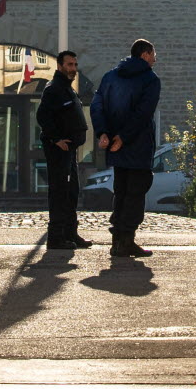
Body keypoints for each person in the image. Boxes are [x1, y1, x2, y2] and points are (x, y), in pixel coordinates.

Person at [90, 39, 161, 258]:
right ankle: (126, 240)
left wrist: (104, 133)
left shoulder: (110, 77)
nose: (155, 58)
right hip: (136, 145)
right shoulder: (150, 80)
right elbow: (143, 113)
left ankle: (117, 240)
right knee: (136, 192)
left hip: (115, 146)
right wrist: (124, 137)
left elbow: (97, 104)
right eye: (154, 53)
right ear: (146, 54)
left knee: (120, 191)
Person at [35, 50, 91, 251]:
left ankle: (70, 234)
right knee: (60, 192)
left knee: (71, 192)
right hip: (59, 151)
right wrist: (56, 139)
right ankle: (56, 237)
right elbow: (42, 116)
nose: (73, 69)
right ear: (60, 66)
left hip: (69, 152)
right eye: (69, 65)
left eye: (75, 65)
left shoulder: (68, 89)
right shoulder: (54, 89)